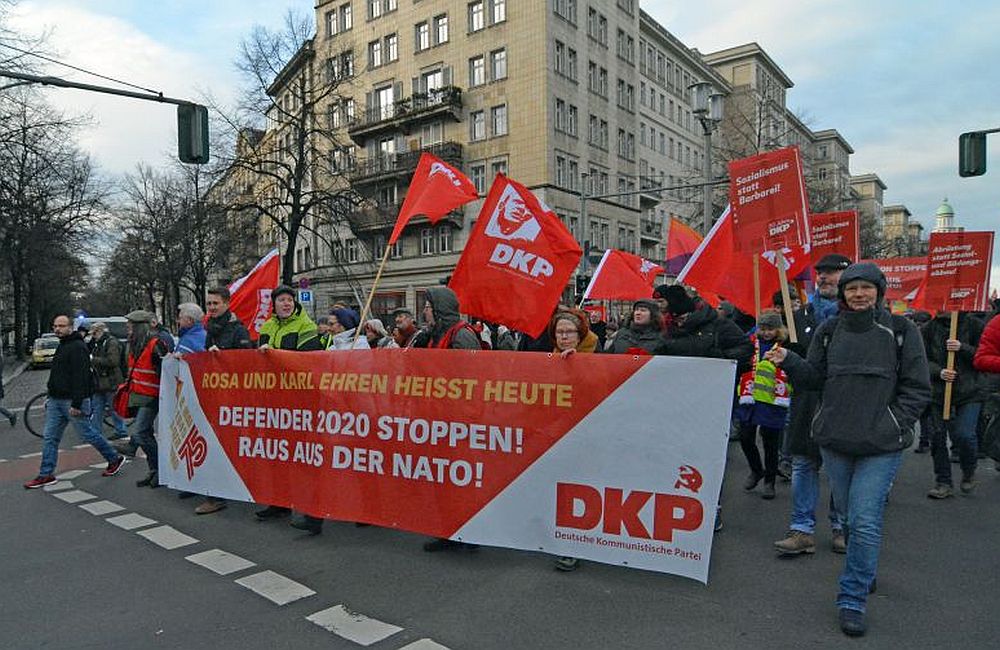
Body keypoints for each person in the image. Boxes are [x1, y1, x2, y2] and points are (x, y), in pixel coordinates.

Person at [766, 262, 931, 637]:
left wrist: (893, 423)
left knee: (864, 520)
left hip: (881, 445)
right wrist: (789, 360)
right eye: (852, 288)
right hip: (836, 443)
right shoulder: (829, 330)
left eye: (866, 288)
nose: (859, 294)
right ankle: (864, 565)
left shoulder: (902, 331)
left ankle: (852, 597)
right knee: (852, 519)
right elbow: (813, 379)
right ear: (843, 294)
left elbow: (918, 388)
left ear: (879, 291)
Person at [773, 254, 850, 556]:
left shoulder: (854, 318)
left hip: (840, 404)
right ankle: (802, 529)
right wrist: (787, 355)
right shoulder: (800, 316)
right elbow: (796, 365)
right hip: (806, 403)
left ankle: (841, 526)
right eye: (821, 274)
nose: (824, 278)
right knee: (804, 465)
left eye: (832, 273)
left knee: (839, 470)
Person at [23, 315, 127, 489]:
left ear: (70, 327)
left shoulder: (77, 347)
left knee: (88, 434)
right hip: (57, 400)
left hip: (71, 400)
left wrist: (77, 404)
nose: (57, 329)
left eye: (61, 326)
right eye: (55, 326)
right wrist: (50, 395)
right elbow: (58, 375)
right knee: (50, 438)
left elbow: (81, 378)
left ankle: (114, 458)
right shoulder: (63, 345)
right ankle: (46, 474)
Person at [253, 285, 324, 532]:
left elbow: (307, 360)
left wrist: (275, 354)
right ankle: (279, 502)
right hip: (274, 401)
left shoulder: (306, 326)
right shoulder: (267, 327)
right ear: (273, 304)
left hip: (300, 401)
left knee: (305, 459)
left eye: (289, 300)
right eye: (281, 300)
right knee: (275, 454)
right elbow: (257, 361)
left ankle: (314, 515)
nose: (286, 303)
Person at [421, 287, 483, 552]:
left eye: (427, 306)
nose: (424, 311)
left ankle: (471, 531)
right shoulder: (434, 335)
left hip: (460, 419)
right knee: (444, 479)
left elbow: (471, 378)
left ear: (439, 309)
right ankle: (447, 529)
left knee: (462, 481)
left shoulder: (462, 335)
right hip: (440, 417)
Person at [196, 286, 253, 515]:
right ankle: (216, 494)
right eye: (209, 304)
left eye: (215, 304)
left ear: (227, 304)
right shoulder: (211, 328)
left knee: (229, 447)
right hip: (215, 396)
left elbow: (246, 363)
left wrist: (224, 358)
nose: (211, 308)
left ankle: (223, 492)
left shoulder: (238, 331)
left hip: (233, 400)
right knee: (216, 446)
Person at [548, 309, 597, 571]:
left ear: (580, 335)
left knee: (576, 489)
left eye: (569, 332)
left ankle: (573, 545)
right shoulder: (549, 359)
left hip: (584, 434)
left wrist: (580, 365)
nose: (564, 337)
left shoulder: (597, 357)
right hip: (554, 434)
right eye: (559, 332)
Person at [922, 311, 984, 498]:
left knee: (965, 435)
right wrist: (939, 372)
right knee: (938, 436)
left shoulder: (974, 325)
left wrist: (962, 347)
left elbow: (984, 355)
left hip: (969, 390)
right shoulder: (929, 328)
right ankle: (943, 482)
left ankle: (969, 470)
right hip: (938, 393)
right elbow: (922, 358)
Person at [736, 311, 791, 500]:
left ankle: (769, 481)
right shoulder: (750, 343)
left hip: (772, 398)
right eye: (763, 328)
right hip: (749, 396)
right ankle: (756, 469)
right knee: (745, 437)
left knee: (770, 442)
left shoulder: (786, 345)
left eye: (770, 329)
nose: (766, 332)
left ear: (779, 329)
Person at [119, 310, 170, 488]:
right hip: (140, 394)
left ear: (139, 327)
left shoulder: (156, 344)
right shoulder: (135, 344)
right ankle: (154, 470)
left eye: (130, 326)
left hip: (152, 396)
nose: (128, 328)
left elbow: (166, 370)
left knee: (140, 432)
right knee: (145, 432)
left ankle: (160, 470)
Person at [88, 322, 128, 440]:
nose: (93, 336)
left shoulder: (111, 343)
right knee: (97, 408)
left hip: (111, 381)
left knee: (114, 408)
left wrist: (93, 359)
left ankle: (121, 431)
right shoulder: (98, 343)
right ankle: (95, 432)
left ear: (101, 331)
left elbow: (113, 361)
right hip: (100, 382)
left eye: (94, 333)